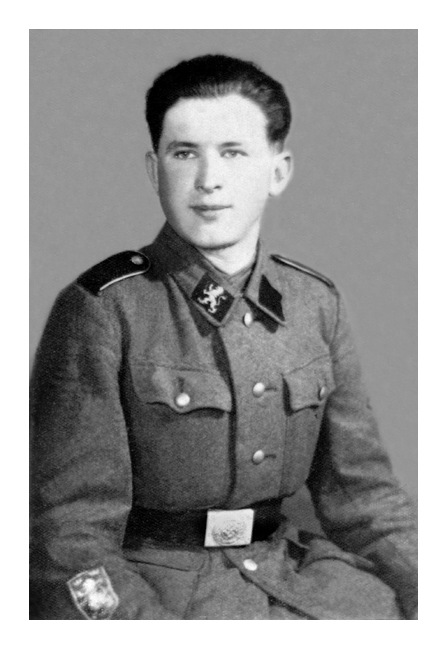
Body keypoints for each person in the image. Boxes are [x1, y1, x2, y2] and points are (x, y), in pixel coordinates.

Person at [30, 54, 417, 620]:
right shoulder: (104, 309)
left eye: (233, 153)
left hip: (296, 575)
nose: (208, 179)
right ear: (154, 169)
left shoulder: (314, 303)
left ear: (278, 171)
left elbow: (366, 498)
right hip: (159, 593)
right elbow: (68, 535)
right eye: (184, 153)